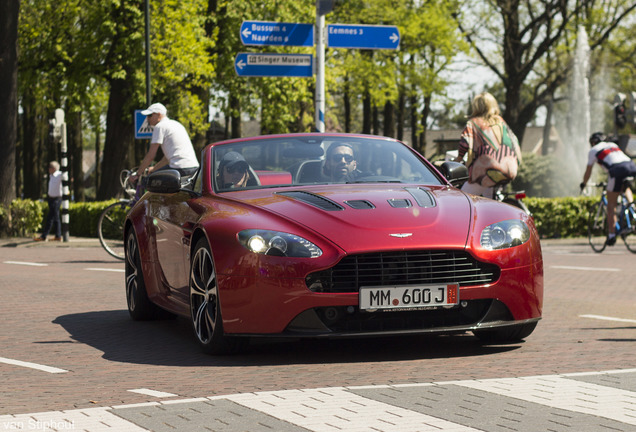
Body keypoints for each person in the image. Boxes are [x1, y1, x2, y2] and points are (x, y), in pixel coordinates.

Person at [454, 92, 521, 198]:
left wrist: (458, 159)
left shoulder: (473, 123)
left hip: (485, 171)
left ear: (476, 107)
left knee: (461, 200)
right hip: (509, 170)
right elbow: (514, 141)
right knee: (489, 200)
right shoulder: (501, 121)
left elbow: (464, 144)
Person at [580, 131, 636, 246]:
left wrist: (583, 183)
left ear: (593, 142)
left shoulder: (593, 150)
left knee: (611, 206)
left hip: (616, 170)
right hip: (631, 165)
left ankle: (611, 236)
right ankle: (632, 207)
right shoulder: (612, 145)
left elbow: (588, 171)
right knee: (625, 186)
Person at [133, 103, 199, 182]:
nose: (147, 119)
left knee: (147, 182)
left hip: (179, 169)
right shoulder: (176, 124)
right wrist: (154, 168)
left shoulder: (160, 126)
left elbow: (150, 156)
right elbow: (167, 159)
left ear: (159, 115)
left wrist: (137, 174)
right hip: (194, 168)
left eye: (150, 115)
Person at [34, 161, 63, 242]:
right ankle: (58, 235)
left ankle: (44, 236)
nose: (48, 169)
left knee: (51, 218)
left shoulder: (59, 175)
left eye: (49, 167)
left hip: (57, 199)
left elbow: (65, 176)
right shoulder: (51, 176)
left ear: (53, 168)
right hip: (51, 199)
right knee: (55, 218)